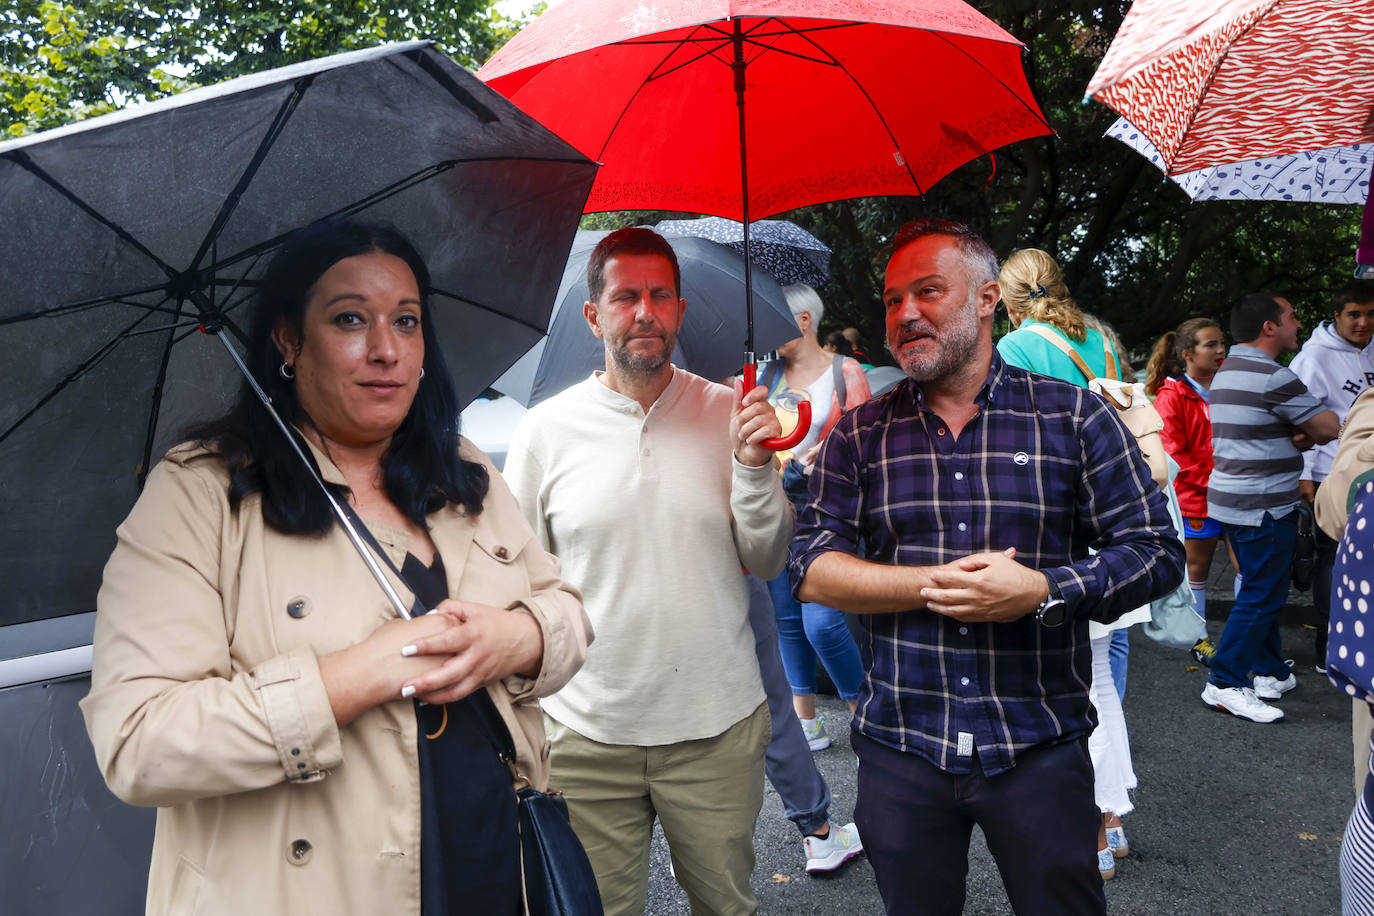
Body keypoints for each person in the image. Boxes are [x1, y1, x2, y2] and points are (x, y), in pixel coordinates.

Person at [79, 219, 592, 916]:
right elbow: (139, 740)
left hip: (494, 867)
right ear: (289, 340)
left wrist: (518, 638)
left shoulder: (463, 472)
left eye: (406, 322)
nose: (386, 350)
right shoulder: (202, 492)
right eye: (351, 319)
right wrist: (354, 676)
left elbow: (564, 608)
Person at [791, 218, 1184, 914]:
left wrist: (1043, 589)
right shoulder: (860, 434)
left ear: (987, 298)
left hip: (1037, 742)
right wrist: (928, 584)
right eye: (890, 300)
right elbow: (813, 569)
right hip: (902, 745)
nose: (905, 313)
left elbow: (1154, 551)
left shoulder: (1069, 418)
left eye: (928, 291)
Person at [502, 227, 795, 915]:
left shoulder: (733, 414)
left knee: (727, 904)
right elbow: (517, 582)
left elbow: (769, 556)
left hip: (716, 727)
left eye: (661, 295)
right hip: (584, 732)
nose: (644, 312)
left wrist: (754, 468)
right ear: (593, 315)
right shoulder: (544, 433)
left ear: (681, 311)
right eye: (626, 296)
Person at [996, 246, 1153, 880]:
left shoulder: (1014, 351)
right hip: (1114, 524)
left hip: (1058, 528)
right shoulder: (1103, 344)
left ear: (1003, 300)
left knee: (1070, 688)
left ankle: (1092, 825)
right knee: (1104, 684)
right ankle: (1112, 822)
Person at [1203, 292, 1340, 723]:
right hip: (1264, 503)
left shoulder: (1226, 372)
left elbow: (1265, 428)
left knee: (1257, 586)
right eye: (1293, 316)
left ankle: (1268, 671)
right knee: (1263, 594)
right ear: (1270, 327)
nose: (1299, 324)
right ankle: (1224, 682)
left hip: (1230, 499)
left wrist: (1294, 434)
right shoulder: (1272, 376)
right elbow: (1328, 426)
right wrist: (1300, 435)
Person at [759, 282, 870, 748]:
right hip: (775, 506)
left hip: (828, 510)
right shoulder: (763, 373)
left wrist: (826, 454)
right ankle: (808, 722)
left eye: (774, 318)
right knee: (786, 618)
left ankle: (865, 717)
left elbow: (869, 440)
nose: (764, 327)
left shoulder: (845, 371)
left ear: (804, 321)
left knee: (822, 623)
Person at [1290, 280, 1374, 672]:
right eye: (1354, 314)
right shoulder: (1313, 358)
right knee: (1332, 558)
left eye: (1371, 314)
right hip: (1329, 472)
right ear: (1336, 315)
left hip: (1370, 471)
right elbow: (1296, 420)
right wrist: (1304, 475)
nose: (1363, 322)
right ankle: (1330, 645)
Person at [1145, 318, 1230, 665]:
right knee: (1196, 571)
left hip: (1233, 497)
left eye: (1222, 342)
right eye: (1210, 344)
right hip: (1196, 499)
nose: (1220, 350)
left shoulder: (1229, 388)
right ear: (1186, 354)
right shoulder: (1171, 396)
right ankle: (1200, 638)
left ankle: (1255, 648)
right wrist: (1222, 479)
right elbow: (1174, 457)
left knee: (1251, 574)